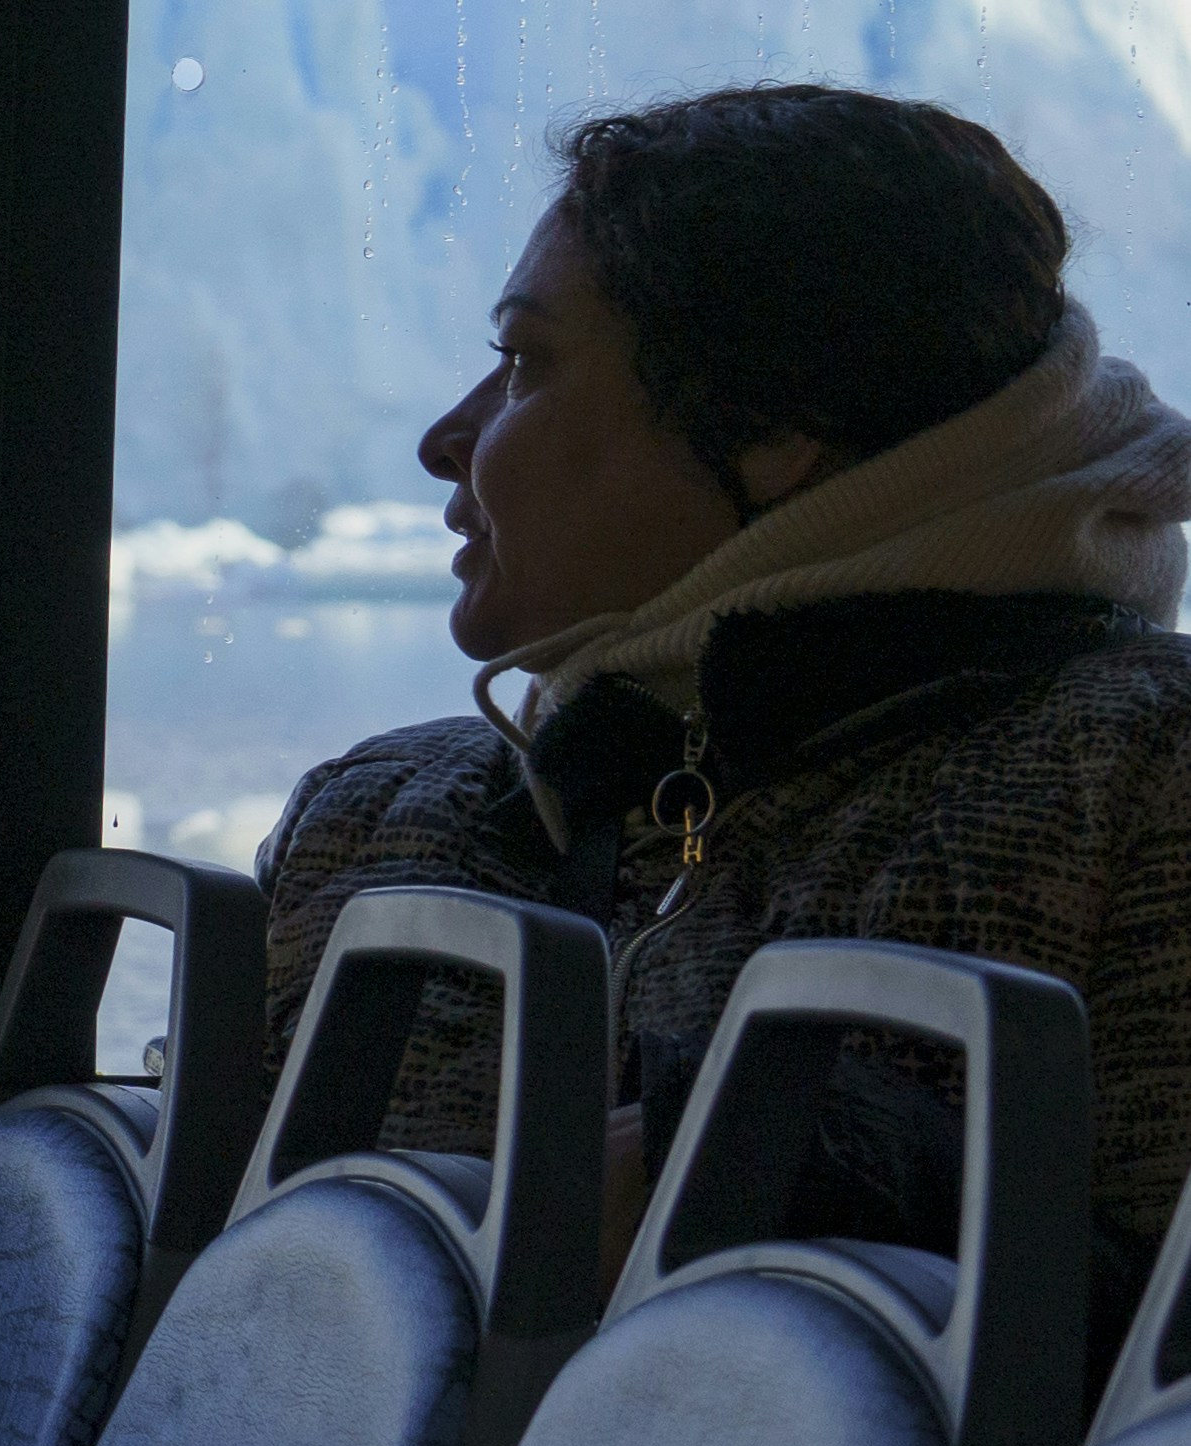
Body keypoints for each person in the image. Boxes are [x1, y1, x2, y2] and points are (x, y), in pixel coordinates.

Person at [257, 84, 1191, 1330]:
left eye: (526, 364)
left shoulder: (1139, 782)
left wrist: (796, 1162)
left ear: (771, 432)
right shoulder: (370, 825)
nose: (446, 439)